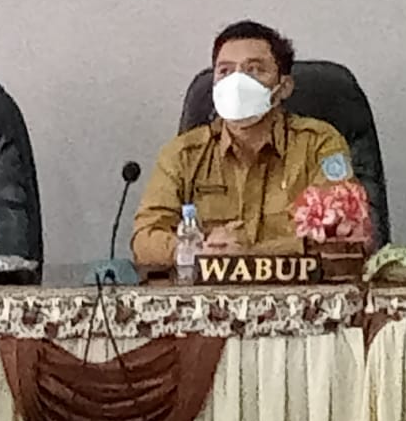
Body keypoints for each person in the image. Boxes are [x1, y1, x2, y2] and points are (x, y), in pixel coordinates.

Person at [131, 20, 354, 269]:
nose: (236, 83)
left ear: (283, 88)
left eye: (254, 70)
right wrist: (197, 251)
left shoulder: (319, 144)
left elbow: (340, 234)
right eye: (225, 71)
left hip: (298, 291)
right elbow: (145, 238)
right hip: (206, 292)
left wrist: (250, 256)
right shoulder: (183, 154)